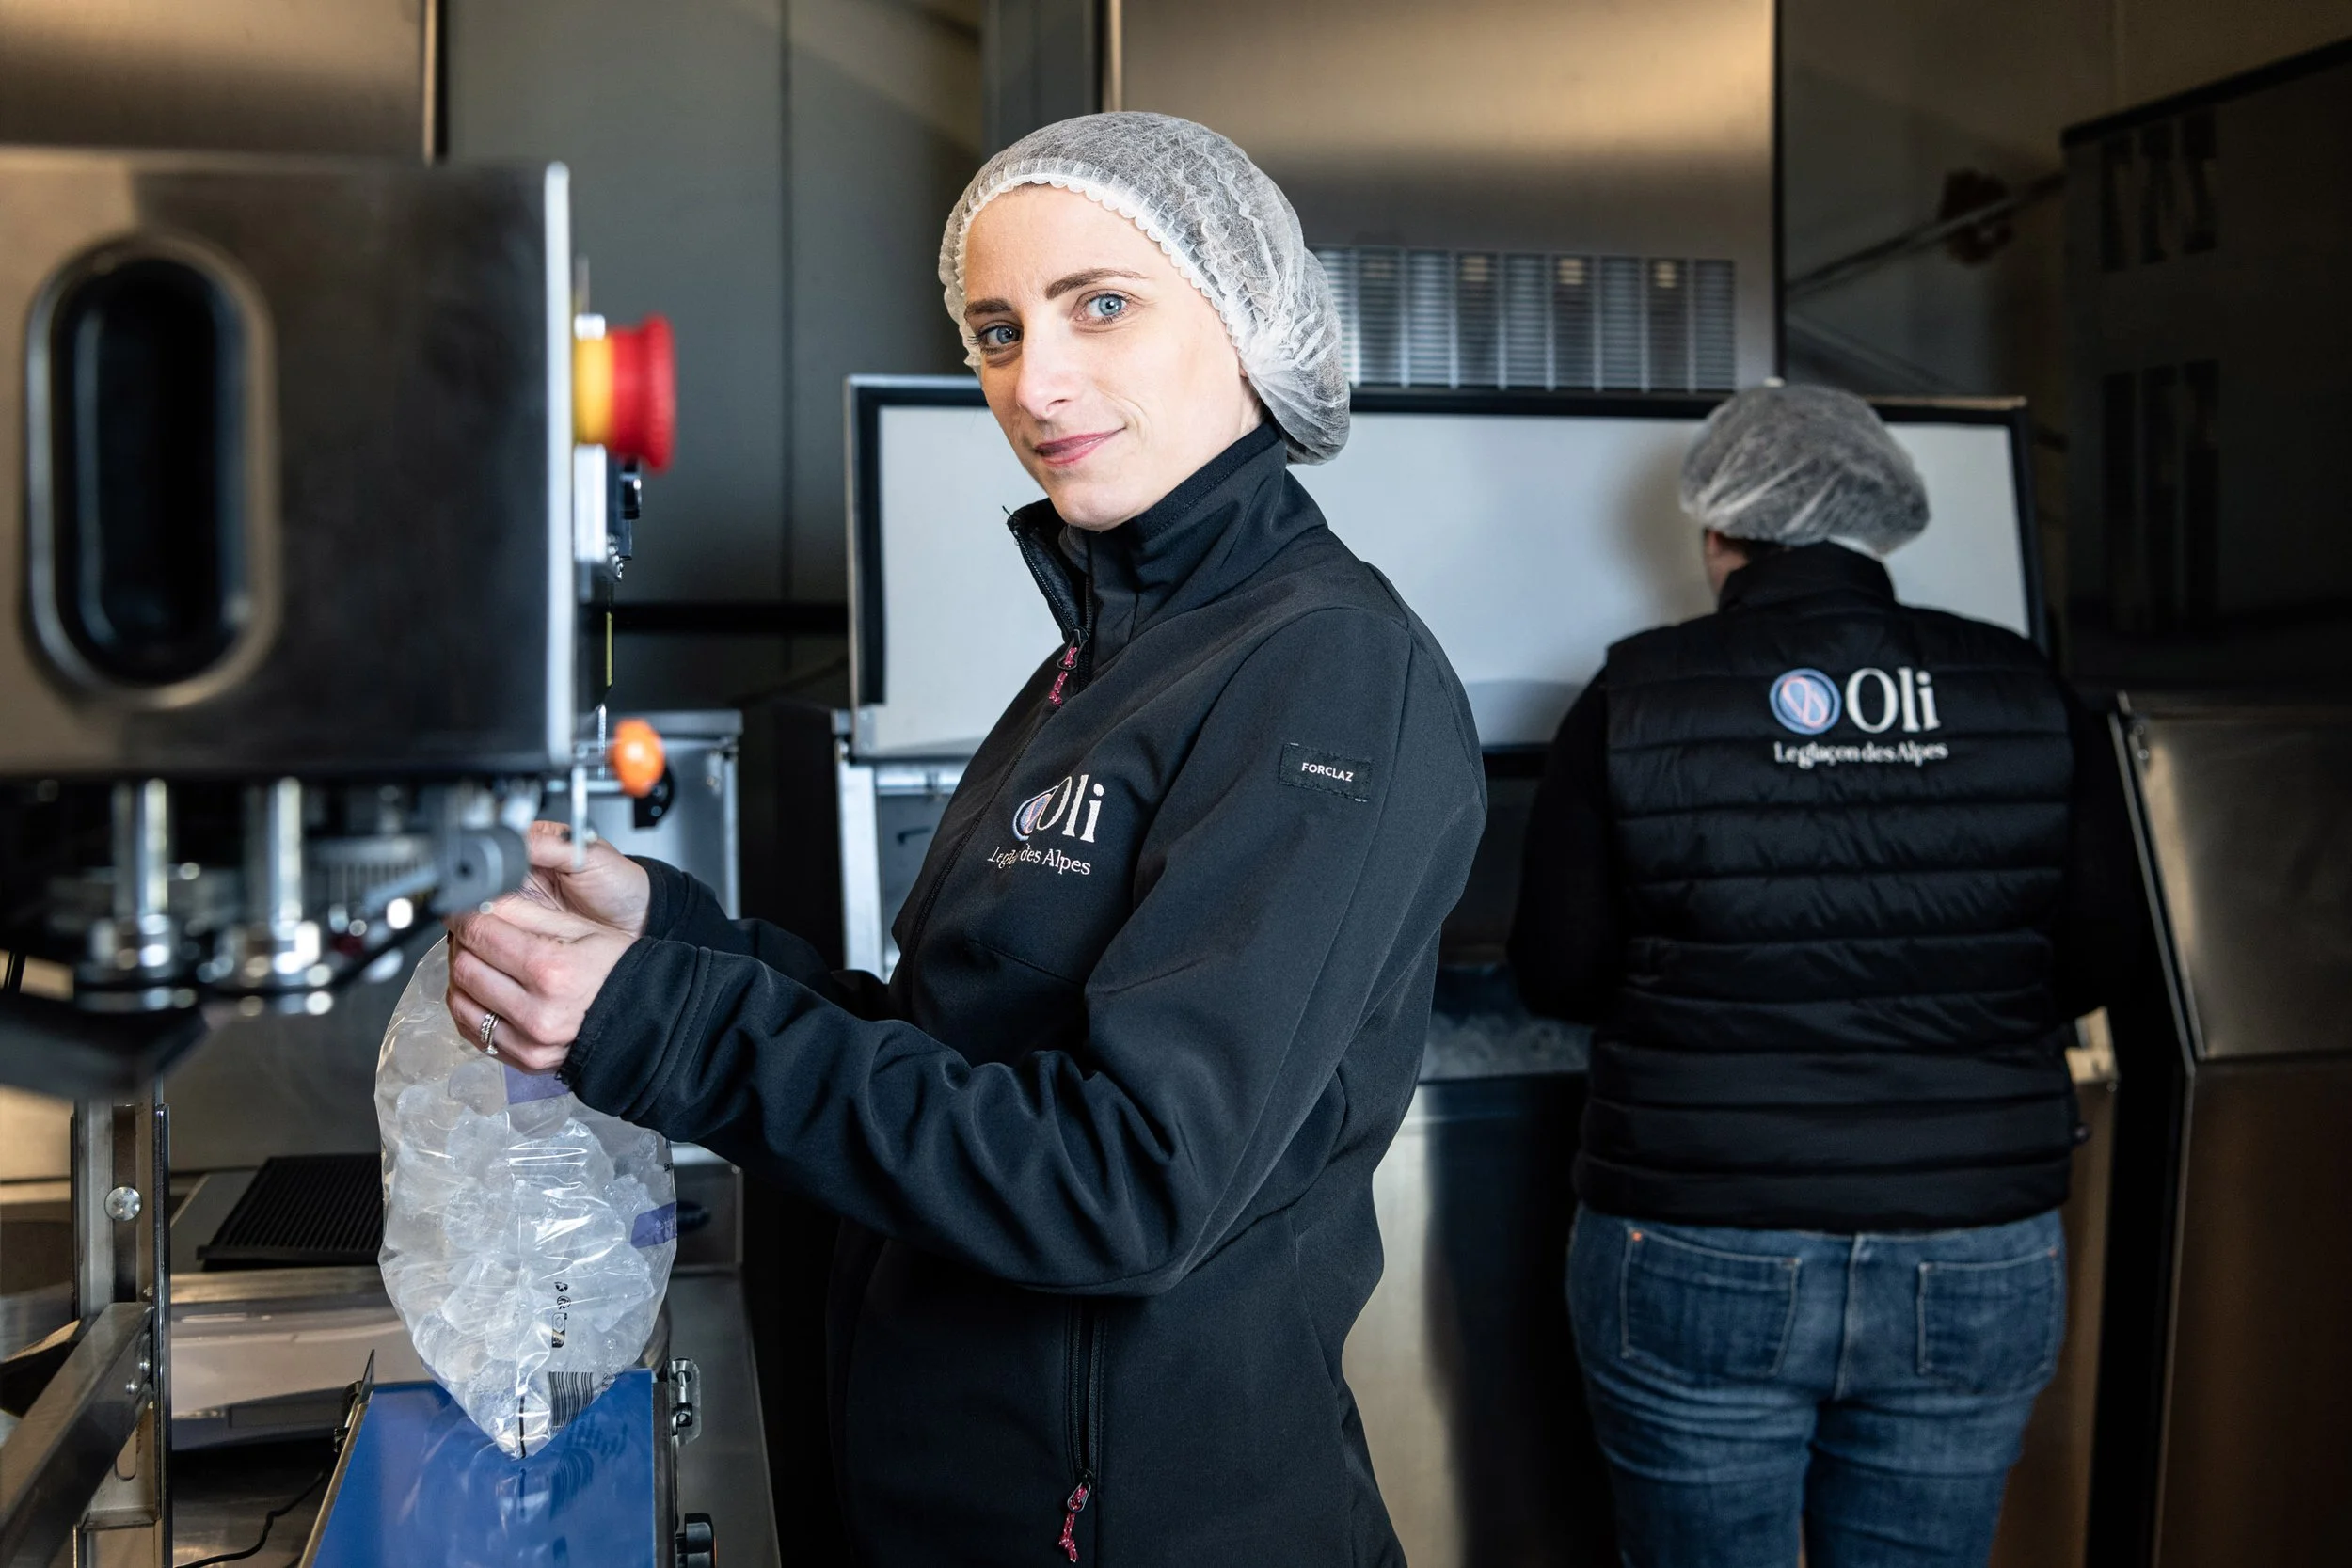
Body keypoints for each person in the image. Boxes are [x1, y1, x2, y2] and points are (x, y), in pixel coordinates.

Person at [443, 113, 1485, 1567]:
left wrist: (671, 1023)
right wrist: (667, 935)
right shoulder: (1104, 659)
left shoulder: (1327, 667)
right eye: (995, 329)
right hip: (958, 1495)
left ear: (1248, 323)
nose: (1034, 382)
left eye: (1099, 305)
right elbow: (950, 1046)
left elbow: (1126, 1183)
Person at [1508, 385, 2142, 1568]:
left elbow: (1557, 965)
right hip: (1974, 1243)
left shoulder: (1635, 693)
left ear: (1719, 530)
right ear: (1876, 523)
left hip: (1698, 1235)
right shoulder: (2019, 685)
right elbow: (2103, 948)